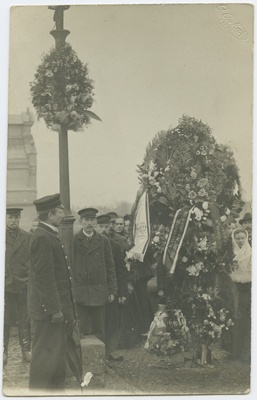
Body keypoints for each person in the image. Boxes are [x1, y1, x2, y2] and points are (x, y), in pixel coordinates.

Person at [28, 194, 77, 392]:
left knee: (56, 356)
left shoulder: (48, 234)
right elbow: (44, 279)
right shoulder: (42, 237)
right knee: (44, 359)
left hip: (54, 310)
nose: (63, 215)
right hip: (48, 312)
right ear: (50, 215)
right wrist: (55, 310)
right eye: (60, 212)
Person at [73, 208, 117, 343]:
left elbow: (110, 266)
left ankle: (101, 359)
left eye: (92, 220)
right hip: (81, 291)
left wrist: (112, 290)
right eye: (86, 220)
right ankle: (83, 361)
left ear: (95, 221)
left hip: (99, 291)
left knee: (99, 328)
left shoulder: (103, 240)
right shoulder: (74, 240)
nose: (89, 223)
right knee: (83, 328)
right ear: (81, 221)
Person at [95, 214, 128, 362]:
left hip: (112, 291)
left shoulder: (115, 246)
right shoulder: (92, 245)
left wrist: (122, 292)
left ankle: (110, 351)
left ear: (111, 228)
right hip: (96, 291)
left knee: (112, 322)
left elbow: (120, 270)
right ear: (96, 227)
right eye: (101, 227)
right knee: (98, 322)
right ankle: (100, 354)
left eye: (106, 227)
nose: (104, 230)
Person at [4, 207, 32, 366]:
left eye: (16, 218)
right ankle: (3, 350)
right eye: (10, 218)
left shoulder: (27, 237)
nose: (13, 221)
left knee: (24, 319)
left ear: (20, 218)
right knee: (5, 320)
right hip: (6, 286)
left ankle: (26, 350)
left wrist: (27, 279)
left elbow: (31, 261)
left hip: (23, 285)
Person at [230, 228, 251, 362]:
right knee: (234, 319)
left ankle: (246, 353)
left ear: (247, 238)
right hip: (234, 288)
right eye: (238, 238)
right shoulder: (231, 254)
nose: (240, 240)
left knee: (245, 320)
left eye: (242, 238)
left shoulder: (251, 253)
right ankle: (234, 351)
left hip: (247, 288)